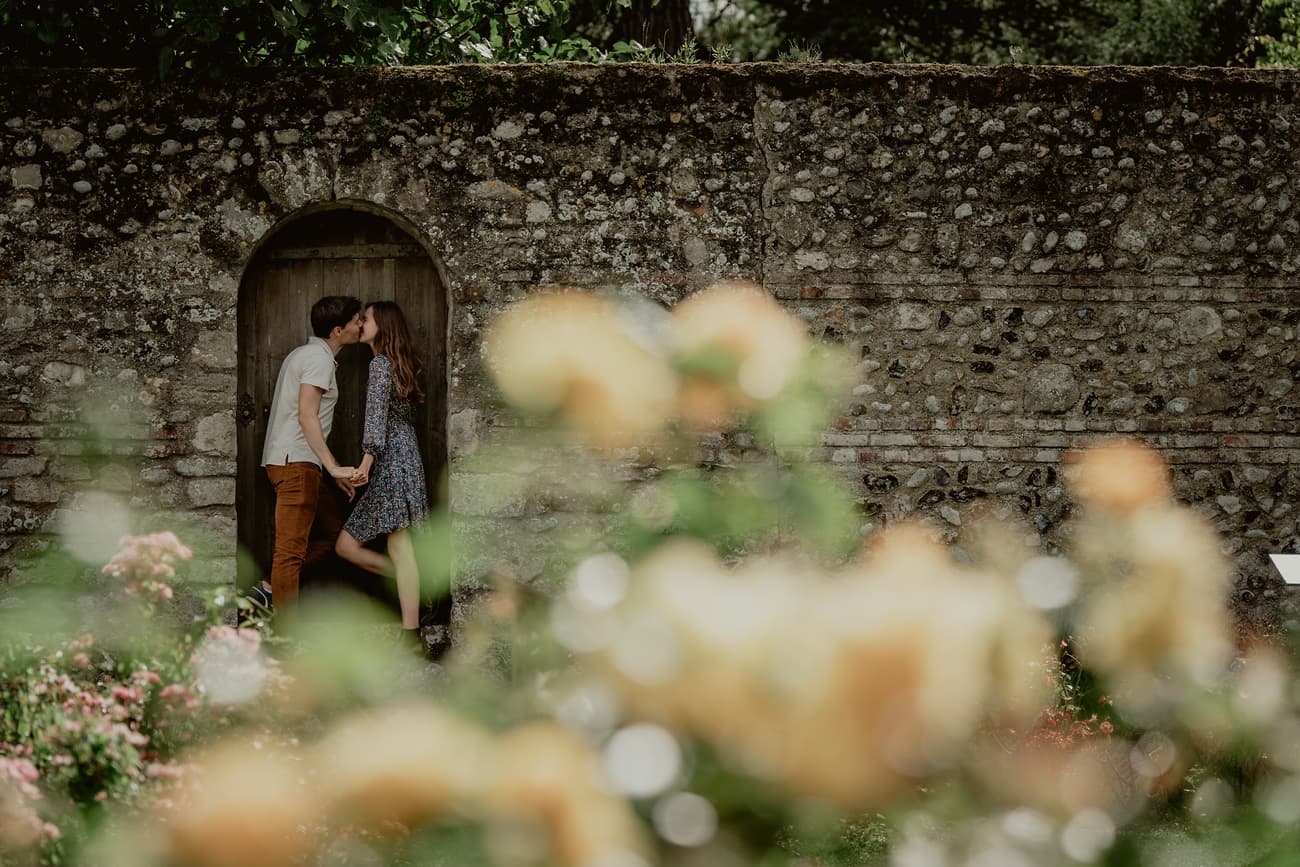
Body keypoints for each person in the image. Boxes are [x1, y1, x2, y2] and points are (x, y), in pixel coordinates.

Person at [256, 295, 363, 614]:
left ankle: (266, 589)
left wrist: (326, 472)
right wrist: (334, 467)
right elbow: (307, 415)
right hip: (296, 465)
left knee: (332, 536)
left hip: (301, 464)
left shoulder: (306, 354)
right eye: (357, 320)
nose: (361, 325)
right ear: (338, 329)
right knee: (289, 553)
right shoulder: (317, 359)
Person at [335, 300, 428, 632]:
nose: (360, 323)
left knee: (395, 547)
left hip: (391, 461)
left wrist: (364, 465)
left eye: (367, 319)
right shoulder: (398, 364)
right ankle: (414, 591)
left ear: (382, 326)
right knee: (363, 547)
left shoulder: (380, 366)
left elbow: (376, 424)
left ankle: (410, 631)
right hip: (407, 457)